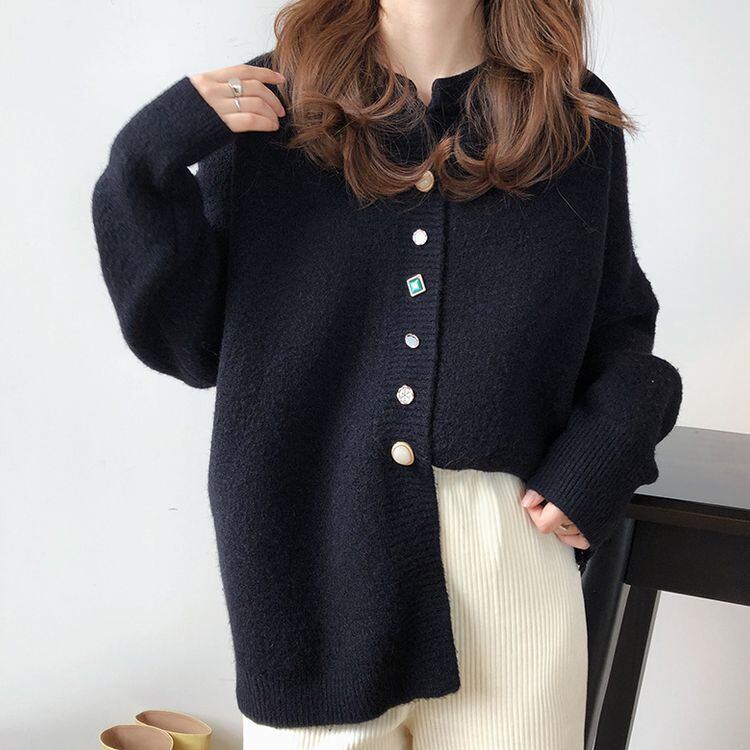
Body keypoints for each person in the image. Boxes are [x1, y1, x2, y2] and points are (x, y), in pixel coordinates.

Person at [90, 0, 683, 747]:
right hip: (310, 556)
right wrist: (144, 161)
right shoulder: (271, 106)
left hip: (511, 555)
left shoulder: (566, 115)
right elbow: (193, 348)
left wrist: (608, 445)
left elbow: (619, 326)